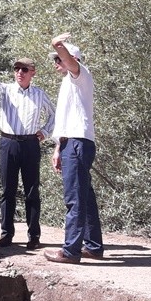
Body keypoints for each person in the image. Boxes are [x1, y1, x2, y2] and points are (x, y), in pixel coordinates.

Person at [0, 58, 54, 248]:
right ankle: (6, 233)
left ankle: (34, 236)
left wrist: (45, 132)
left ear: (33, 72)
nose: (19, 72)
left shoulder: (39, 94)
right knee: (8, 190)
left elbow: (53, 114)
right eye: (16, 69)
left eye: (24, 69)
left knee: (32, 191)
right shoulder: (5, 90)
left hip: (30, 143)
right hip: (8, 142)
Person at [45, 32, 104, 264]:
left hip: (78, 143)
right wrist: (58, 148)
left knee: (75, 199)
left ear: (72, 59)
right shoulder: (69, 83)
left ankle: (71, 251)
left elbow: (70, 62)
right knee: (85, 197)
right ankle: (93, 247)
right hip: (73, 142)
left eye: (58, 58)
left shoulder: (80, 75)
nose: (56, 63)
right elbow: (66, 122)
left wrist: (57, 44)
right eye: (55, 58)